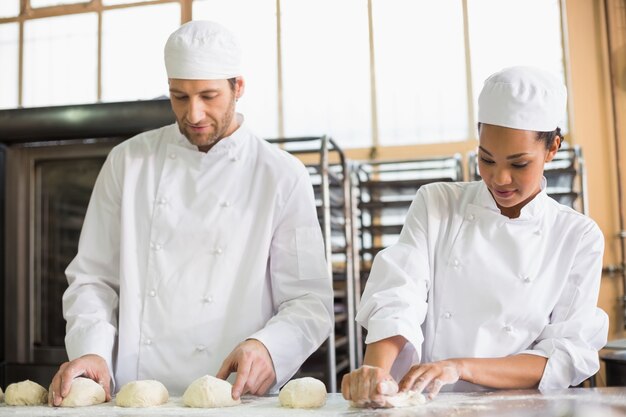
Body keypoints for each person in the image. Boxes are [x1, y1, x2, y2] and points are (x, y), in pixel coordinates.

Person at [49, 20, 333, 406]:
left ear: (239, 88)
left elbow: (308, 300)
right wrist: (93, 349)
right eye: (179, 97)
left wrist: (268, 347)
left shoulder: (282, 175)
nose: (194, 113)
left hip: (237, 396)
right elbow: (92, 279)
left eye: (209, 95)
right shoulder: (128, 162)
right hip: (135, 397)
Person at [342, 66, 608, 406]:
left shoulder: (577, 235)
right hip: (428, 405)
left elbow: (565, 352)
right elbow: (399, 293)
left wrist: (461, 367)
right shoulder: (437, 202)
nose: (500, 178)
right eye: (486, 159)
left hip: (518, 409)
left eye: (519, 164)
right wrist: (375, 372)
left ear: (553, 147)